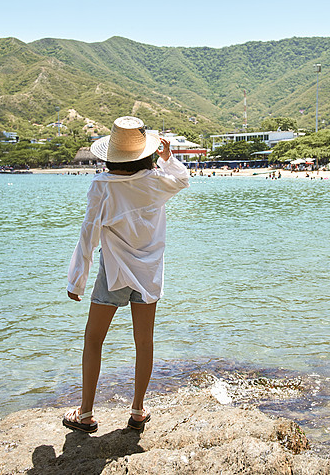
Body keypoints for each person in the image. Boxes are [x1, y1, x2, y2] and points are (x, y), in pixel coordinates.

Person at [63, 116, 190, 433]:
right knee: (144, 342)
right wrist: (167, 156)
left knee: (93, 340)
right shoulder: (156, 182)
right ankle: (137, 411)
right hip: (148, 273)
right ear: (146, 152)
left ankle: (86, 413)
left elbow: (88, 234)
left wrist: (76, 279)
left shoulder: (102, 186)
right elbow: (183, 179)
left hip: (114, 271)